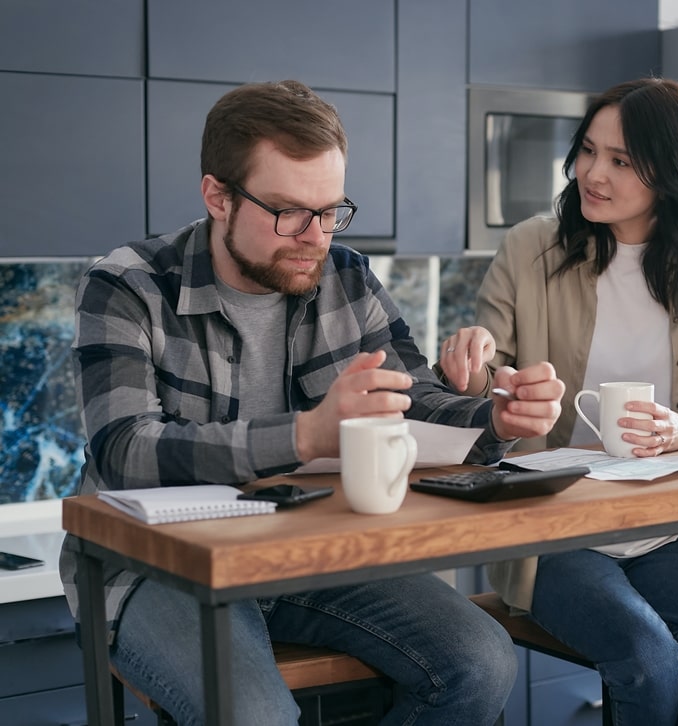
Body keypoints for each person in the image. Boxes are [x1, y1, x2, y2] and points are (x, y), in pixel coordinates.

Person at [58, 79, 567, 726]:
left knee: (482, 661)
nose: (316, 236)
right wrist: (306, 435)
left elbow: (416, 403)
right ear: (218, 196)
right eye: (290, 212)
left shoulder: (347, 276)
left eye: (330, 211)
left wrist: (497, 416)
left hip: (306, 553)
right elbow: (125, 450)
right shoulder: (126, 286)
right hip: (157, 566)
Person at [436, 77, 678, 725]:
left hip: (668, 525)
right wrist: (470, 362)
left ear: (672, 172)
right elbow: (488, 376)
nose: (592, 173)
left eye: (620, 161)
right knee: (646, 662)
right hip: (556, 530)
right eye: (588, 151)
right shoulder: (533, 247)